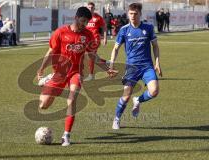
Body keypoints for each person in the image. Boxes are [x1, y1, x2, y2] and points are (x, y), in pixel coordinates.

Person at [37, 7, 118, 146]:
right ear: (76, 17)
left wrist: (107, 69)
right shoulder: (61, 32)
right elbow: (50, 52)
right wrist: (42, 68)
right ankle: (48, 80)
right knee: (44, 105)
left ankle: (66, 136)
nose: (84, 24)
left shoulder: (87, 35)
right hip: (59, 73)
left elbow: (93, 55)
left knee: (72, 99)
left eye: (86, 22)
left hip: (76, 73)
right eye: (82, 21)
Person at [109, 3, 162, 130]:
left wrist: (157, 62)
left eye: (135, 14)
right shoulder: (124, 30)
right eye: (131, 13)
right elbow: (115, 48)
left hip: (147, 66)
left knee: (154, 91)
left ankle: (138, 99)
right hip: (131, 68)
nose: (133, 16)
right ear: (128, 14)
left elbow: (155, 46)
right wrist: (111, 64)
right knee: (126, 96)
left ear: (140, 14)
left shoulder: (148, 28)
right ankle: (116, 119)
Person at [84, 2, 107, 81]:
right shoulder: (85, 17)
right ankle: (106, 62)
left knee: (91, 56)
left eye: (92, 7)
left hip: (95, 39)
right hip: (87, 40)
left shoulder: (98, 18)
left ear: (94, 8)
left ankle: (91, 75)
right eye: (89, 7)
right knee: (90, 55)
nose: (90, 9)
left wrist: (105, 38)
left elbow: (104, 27)